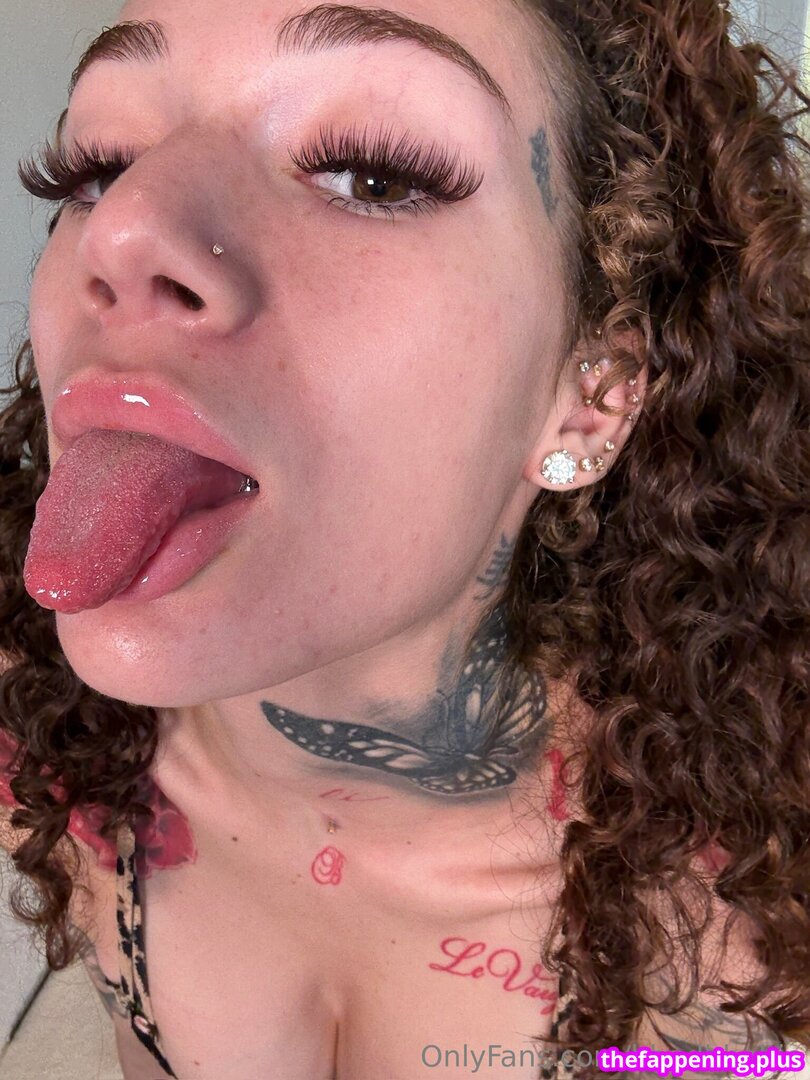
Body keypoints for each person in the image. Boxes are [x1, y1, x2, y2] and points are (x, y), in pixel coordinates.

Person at [1, 0, 808, 1077]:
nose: (124, 228)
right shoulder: (41, 763)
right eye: (98, 165)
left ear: (593, 393)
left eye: (372, 175)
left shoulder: (749, 944)